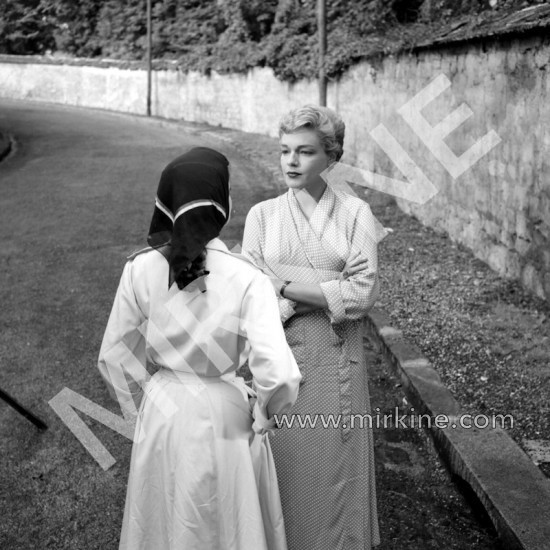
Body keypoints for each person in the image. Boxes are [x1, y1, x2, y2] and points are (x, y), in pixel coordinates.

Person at [98, 147, 302, 550]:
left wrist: (143, 407)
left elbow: (115, 357)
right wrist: (264, 414)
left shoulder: (139, 269)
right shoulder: (248, 279)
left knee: (160, 514)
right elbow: (277, 374)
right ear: (222, 203)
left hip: (162, 409)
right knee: (225, 520)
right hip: (223, 409)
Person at [242, 105, 381, 549]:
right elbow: (251, 297)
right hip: (280, 361)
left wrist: (281, 282)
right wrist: (327, 286)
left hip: (337, 361)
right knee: (282, 468)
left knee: (335, 474)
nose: (291, 161)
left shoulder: (355, 213)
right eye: (285, 151)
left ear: (331, 157)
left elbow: (360, 296)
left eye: (305, 151)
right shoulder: (262, 216)